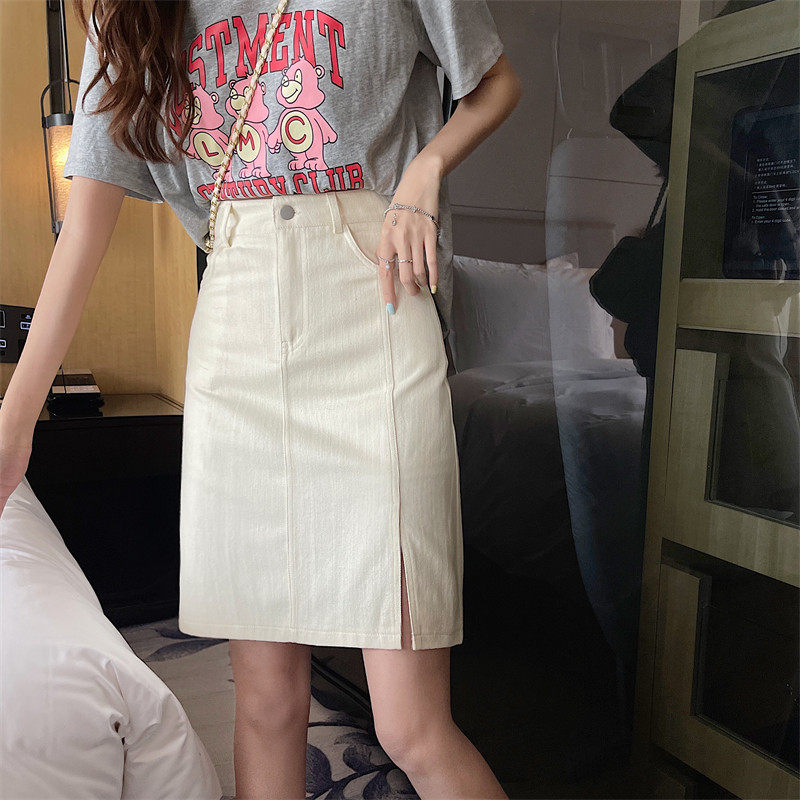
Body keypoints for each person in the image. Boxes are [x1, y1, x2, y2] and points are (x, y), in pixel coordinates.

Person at [0, 1, 522, 797]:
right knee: (268, 705)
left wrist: (426, 170)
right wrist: (14, 425)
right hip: (237, 337)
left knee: (411, 725)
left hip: (375, 310)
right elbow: (85, 230)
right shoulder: (129, 15)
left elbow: (494, 83)